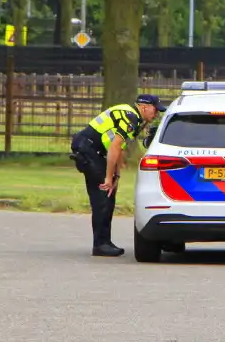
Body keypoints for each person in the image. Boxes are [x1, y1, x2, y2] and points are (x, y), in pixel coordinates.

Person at [69, 94, 165, 257]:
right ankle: (100, 245)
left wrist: (116, 176)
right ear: (144, 107)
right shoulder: (131, 117)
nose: (156, 115)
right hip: (89, 150)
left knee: (108, 194)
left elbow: (119, 148)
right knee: (102, 196)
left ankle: (105, 242)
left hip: (93, 150)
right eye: (155, 110)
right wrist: (108, 178)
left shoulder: (132, 116)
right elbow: (114, 147)